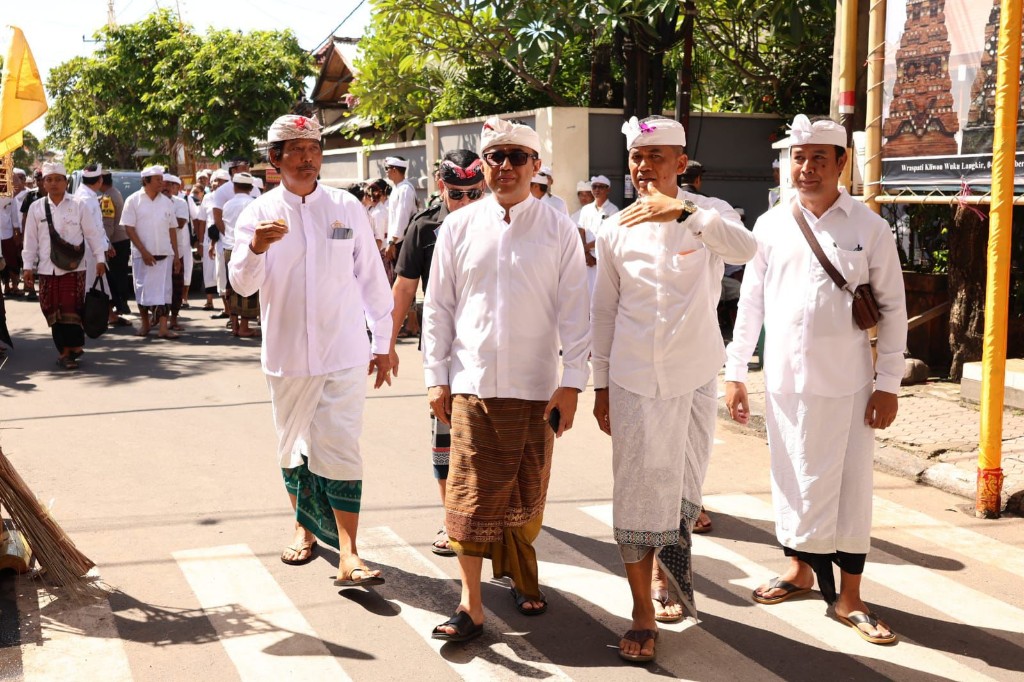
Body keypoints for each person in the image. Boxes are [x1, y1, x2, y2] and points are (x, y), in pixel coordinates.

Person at [724, 114, 908, 645]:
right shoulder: (770, 224)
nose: (805, 169)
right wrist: (736, 371)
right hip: (783, 379)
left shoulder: (868, 227)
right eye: (797, 158)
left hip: (850, 385)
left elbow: (892, 309)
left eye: (817, 159)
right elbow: (751, 303)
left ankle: (850, 594)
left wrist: (888, 383)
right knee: (790, 475)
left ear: (841, 163)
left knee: (850, 488)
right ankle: (799, 570)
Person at [590, 116, 756, 663]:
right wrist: (600, 388)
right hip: (634, 380)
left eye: (656, 157)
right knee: (638, 493)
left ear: (681, 164)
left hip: (693, 377)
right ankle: (641, 610)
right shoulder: (615, 228)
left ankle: (668, 579)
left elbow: (746, 249)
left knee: (684, 484)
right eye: (637, 158)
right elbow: (605, 313)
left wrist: (684, 210)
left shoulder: (708, 217)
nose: (643, 168)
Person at [422, 117, 590, 643]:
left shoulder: (558, 226)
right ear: (485, 166)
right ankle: (470, 605)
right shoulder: (458, 226)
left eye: (518, 157)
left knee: (526, 496)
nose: (506, 167)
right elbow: (439, 308)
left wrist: (573, 381)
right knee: (470, 498)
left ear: (536, 166)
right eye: (496, 157)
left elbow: (575, 310)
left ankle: (518, 575)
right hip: (472, 383)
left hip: (538, 388)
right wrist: (435, 375)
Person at [229, 114, 393, 587]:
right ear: (274, 160)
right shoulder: (257, 213)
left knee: (341, 447)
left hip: (344, 352)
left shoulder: (345, 207)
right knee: (293, 448)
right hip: (286, 356)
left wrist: (382, 344)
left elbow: (371, 279)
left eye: (314, 149)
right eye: (295, 150)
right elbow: (241, 283)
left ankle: (350, 552)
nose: (306, 158)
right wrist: (256, 248)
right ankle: (303, 527)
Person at [389, 149, 486, 558]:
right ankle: (451, 516)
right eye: (457, 194)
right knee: (445, 434)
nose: (465, 202)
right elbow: (405, 289)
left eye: (473, 194)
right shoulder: (424, 226)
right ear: (442, 186)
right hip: (443, 347)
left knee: (490, 437)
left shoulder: (502, 222)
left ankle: (491, 515)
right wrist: (384, 345)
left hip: (490, 346)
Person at [21, 162, 108, 369]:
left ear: (66, 182)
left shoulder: (79, 205)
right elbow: (30, 240)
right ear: (43, 183)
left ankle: (67, 352)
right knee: (49, 308)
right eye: (49, 180)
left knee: (71, 309)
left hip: (74, 268)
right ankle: (72, 348)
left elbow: (92, 234)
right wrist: (27, 266)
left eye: (58, 179)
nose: (53, 184)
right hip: (46, 269)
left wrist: (100, 259)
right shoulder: (36, 207)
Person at [122, 165, 181, 340]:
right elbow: (129, 228)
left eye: (161, 179)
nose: (162, 183)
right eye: (157, 179)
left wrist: (176, 255)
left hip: (164, 253)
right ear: (146, 181)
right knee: (142, 290)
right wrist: (143, 251)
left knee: (165, 292)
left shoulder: (167, 202)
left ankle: (163, 328)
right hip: (142, 256)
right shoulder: (133, 200)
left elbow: (172, 229)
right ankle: (145, 324)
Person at [221, 171, 258, 338]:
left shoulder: (227, 204)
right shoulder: (254, 204)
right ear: (251, 187)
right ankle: (244, 326)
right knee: (248, 287)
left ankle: (234, 323)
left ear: (234, 187)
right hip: (247, 248)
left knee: (231, 285)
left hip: (228, 248)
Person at [577, 174, 619, 295]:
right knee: (585, 293)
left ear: (608, 189)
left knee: (601, 294)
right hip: (586, 259)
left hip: (602, 259)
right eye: (594, 186)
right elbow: (581, 230)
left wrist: (586, 248)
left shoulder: (613, 210)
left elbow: (607, 236)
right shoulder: (586, 209)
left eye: (601, 187)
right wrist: (586, 253)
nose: (597, 190)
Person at [100, 171, 131, 324]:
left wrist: (106, 244)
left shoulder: (107, 198)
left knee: (115, 276)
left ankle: (120, 305)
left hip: (115, 241)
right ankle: (122, 304)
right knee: (120, 274)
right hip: (122, 239)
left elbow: (108, 224)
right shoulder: (115, 192)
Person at [161, 174, 190, 331]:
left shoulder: (179, 203)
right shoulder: (154, 203)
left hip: (176, 250)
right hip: (156, 249)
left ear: (176, 187)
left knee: (176, 285)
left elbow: (180, 223)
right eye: (165, 184)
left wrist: (161, 221)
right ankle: (158, 318)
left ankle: (173, 319)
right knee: (159, 286)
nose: (167, 187)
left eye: (171, 185)